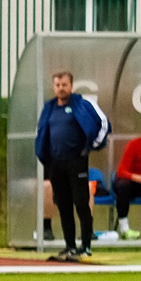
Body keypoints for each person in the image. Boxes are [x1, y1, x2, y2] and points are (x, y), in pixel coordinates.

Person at [34, 71, 109, 260]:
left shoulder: (82, 104)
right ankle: (69, 246)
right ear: (54, 87)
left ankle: (85, 245)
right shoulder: (49, 108)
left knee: (81, 203)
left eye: (64, 85)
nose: (61, 88)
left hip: (76, 162)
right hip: (56, 164)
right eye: (57, 85)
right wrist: (44, 155)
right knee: (64, 206)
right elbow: (42, 131)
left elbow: (103, 123)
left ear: (71, 86)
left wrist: (90, 147)